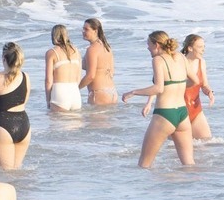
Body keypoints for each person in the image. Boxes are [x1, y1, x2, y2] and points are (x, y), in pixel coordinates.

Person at [122, 31, 195, 169]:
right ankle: (195, 189)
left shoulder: (157, 60)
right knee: (189, 165)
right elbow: (195, 80)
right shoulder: (180, 56)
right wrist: (176, 87)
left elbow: (158, 88)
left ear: (156, 44)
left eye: (148, 44)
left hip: (165, 114)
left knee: (144, 165)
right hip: (182, 114)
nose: (147, 48)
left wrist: (133, 92)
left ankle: (144, 190)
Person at [0, 42, 32, 170]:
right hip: (23, 124)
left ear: (4, 59)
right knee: (16, 170)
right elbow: (24, 101)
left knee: (5, 172)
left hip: (4, 124)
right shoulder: (26, 77)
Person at [182, 34, 214, 142]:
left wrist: (209, 92)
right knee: (173, 148)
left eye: (204, 47)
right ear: (190, 48)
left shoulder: (202, 62)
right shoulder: (179, 63)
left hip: (195, 109)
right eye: (200, 47)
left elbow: (204, 85)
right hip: (179, 110)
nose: (203, 50)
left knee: (207, 142)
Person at [44, 26, 83, 112]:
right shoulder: (76, 51)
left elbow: (48, 80)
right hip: (75, 93)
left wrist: (48, 100)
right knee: (75, 124)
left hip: (60, 92)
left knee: (58, 124)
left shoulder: (52, 53)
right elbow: (78, 78)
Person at [79, 18, 118, 105]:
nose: (83, 31)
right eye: (83, 29)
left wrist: (76, 89)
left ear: (95, 31)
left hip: (99, 94)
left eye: (86, 29)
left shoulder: (92, 49)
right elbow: (111, 72)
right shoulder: (107, 47)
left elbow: (90, 76)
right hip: (112, 92)